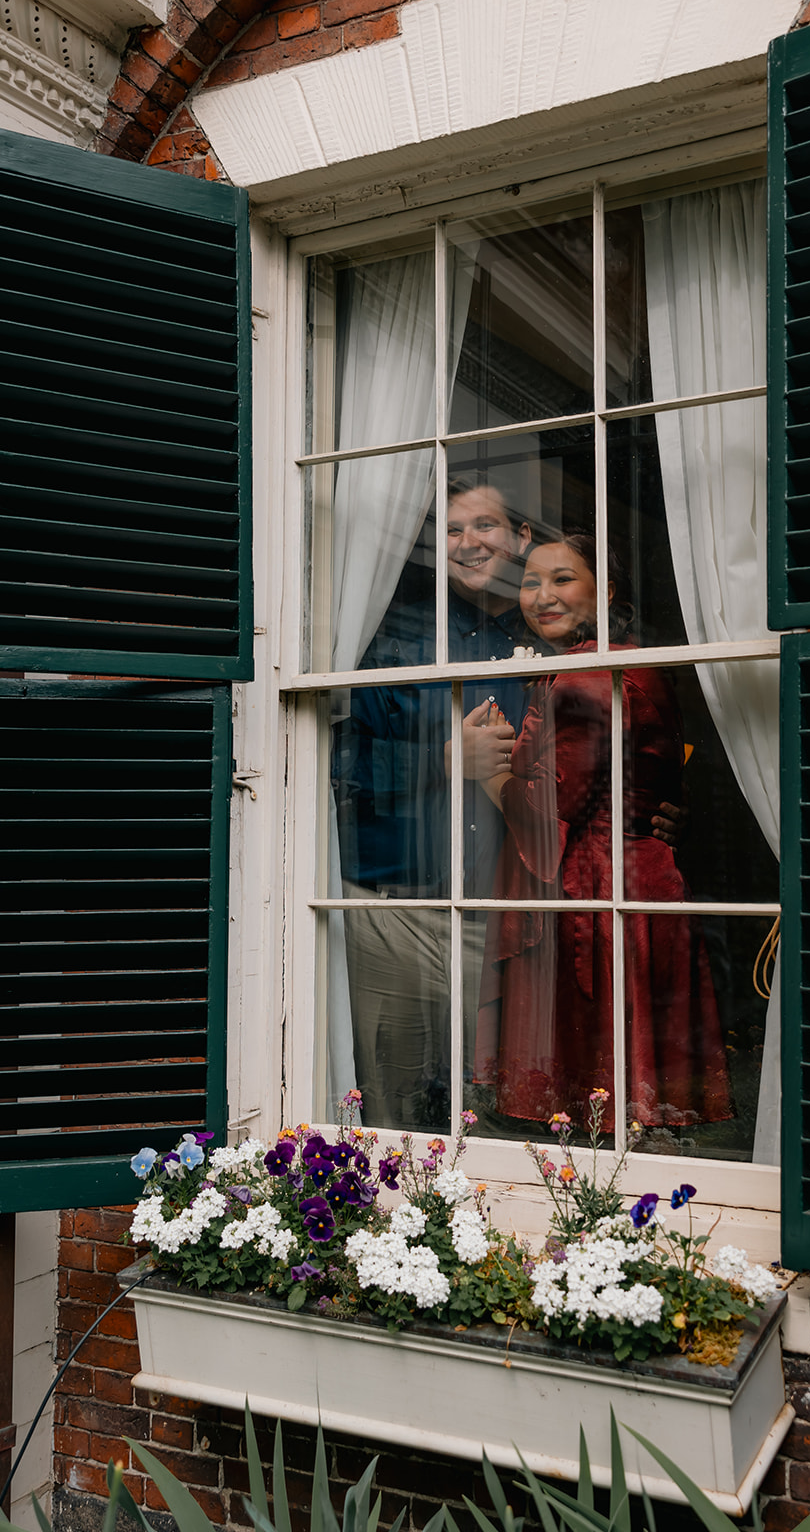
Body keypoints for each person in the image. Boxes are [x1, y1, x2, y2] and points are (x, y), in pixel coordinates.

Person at [472, 533, 732, 1131]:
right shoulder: (629, 662)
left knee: (601, 1100)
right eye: (531, 583)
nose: (542, 596)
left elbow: (548, 812)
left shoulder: (589, 677)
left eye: (562, 579)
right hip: (641, 883)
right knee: (635, 1096)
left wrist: (483, 772)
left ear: (605, 591)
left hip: (601, 890)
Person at [332, 473, 535, 1129]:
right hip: (393, 904)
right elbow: (338, 765)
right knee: (389, 1099)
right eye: (452, 530)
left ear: (521, 538)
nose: (469, 542)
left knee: (494, 1100)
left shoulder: (537, 645)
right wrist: (444, 762)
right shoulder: (387, 638)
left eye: (485, 526)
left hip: (501, 912)